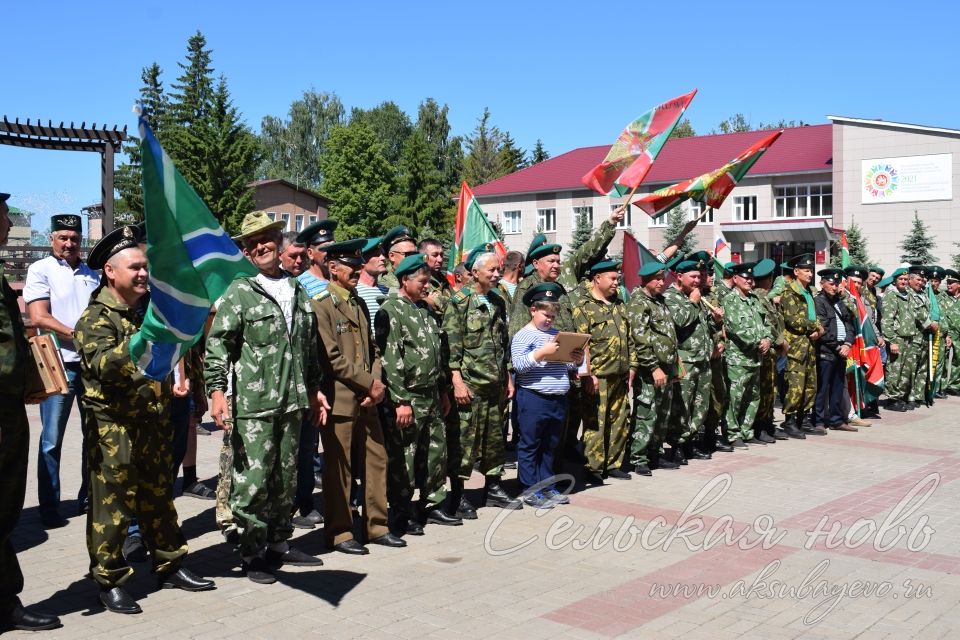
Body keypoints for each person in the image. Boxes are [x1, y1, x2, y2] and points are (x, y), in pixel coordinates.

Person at [75, 224, 215, 614]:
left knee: (159, 498)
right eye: (135, 267)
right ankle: (110, 579)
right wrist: (140, 342)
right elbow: (104, 364)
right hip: (113, 427)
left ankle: (170, 564)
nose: (142, 274)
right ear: (111, 272)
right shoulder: (96, 318)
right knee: (113, 507)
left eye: (145, 267)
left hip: (152, 419)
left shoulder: (147, 309)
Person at [205, 211, 328, 584]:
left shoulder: (297, 291)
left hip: (292, 405)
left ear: (278, 241)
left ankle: (278, 544)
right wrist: (216, 392)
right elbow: (218, 346)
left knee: (284, 480)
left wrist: (314, 388)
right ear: (245, 250)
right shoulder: (240, 292)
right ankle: (252, 552)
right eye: (251, 242)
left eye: (266, 238)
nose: (260, 246)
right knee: (253, 482)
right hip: (254, 407)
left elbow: (308, 348)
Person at [313, 238, 405, 554]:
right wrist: (370, 383)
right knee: (339, 468)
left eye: (357, 265)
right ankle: (340, 532)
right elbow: (332, 358)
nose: (355, 270)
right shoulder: (322, 304)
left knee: (377, 460)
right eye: (350, 266)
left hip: (368, 396)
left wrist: (375, 383)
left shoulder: (359, 302)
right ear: (333, 267)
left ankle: (376, 527)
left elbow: (374, 349)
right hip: (340, 397)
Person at [0, 192, 62, 631]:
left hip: (8, 406)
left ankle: (4, 601)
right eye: (3, 213)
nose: (8, 220)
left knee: (4, 509)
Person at [22, 214, 100, 527]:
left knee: (93, 437)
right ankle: (49, 507)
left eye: (74, 238)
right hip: (58, 365)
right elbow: (39, 316)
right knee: (52, 440)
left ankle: (87, 499)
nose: (69, 244)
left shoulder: (92, 271)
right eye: (63, 238)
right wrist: (80, 335)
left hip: (92, 366)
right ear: (52, 238)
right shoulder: (40, 269)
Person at [375, 254, 461, 534]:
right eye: (422, 282)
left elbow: (436, 355)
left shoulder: (425, 310)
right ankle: (401, 512)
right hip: (408, 397)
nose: (427, 287)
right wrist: (400, 400)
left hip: (432, 396)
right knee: (405, 458)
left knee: (435, 453)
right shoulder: (391, 309)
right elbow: (391, 359)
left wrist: (444, 392)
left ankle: (433, 504)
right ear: (405, 280)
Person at [442, 247, 521, 515]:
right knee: (465, 441)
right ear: (475, 273)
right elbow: (452, 345)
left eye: (499, 270)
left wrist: (508, 375)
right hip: (471, 385)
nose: (498, 274)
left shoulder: (498, 300)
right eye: (492, 270)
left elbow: (503, 342)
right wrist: (456, 380)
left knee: (494, 440)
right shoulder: (459, 302)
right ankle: (459, 494)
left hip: (495, 384)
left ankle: (493, 487)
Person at [511, 282, 584, 507]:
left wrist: (576, 361)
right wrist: (541, 352)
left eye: (553, 315)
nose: (550, 320)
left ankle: (547, 486)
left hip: (558, 397)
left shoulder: (556, 335)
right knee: (530, 444)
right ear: (533, 310)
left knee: (551, 445)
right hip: (534, 397)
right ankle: (530, 489)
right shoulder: (524, 335)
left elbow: (566, 366)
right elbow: (518, 365)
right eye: (546, 314)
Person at [571, 260, 634, 479]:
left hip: (620, 373)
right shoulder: (584, 307)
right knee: (596, 421)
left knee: (619, 420)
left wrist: (632, 366)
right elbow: (581, 344)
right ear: (597, 279)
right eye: (613, 278)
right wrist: (588, 375)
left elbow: (629, 337)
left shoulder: (619, 304)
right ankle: (594, 466)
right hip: (598, 375)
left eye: (618, 279)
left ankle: (613, 463)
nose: (617, 282)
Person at [626, 261, 681, 472]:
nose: (661, 282)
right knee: (646, 413)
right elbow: (640, 339)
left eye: (662, 278)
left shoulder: (659, 301)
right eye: (656, 279)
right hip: (650, 370)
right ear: (645, 280)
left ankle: (655, 453)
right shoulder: (639, 303)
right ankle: (638, 458)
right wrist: (653, 366)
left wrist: (673, 365)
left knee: (662, 413)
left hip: (666, 367)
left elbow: (668, 335)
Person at [664, 257, 718, 460]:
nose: (697, 280)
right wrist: (692, 303)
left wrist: (715, 321)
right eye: (693, 276)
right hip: (685, 360)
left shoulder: (697, 296)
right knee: (682, 405)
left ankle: (691, 441)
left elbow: (702, 326)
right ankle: (677, 444)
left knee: (700, 404)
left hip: (702, 359)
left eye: (699, 276)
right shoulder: (671, 297)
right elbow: (679, 322)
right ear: (679, 276)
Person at [722, 262, 773, 447]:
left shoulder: (754, 299)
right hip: (739, 358)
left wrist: (767, 339)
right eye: (746, 278)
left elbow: (767, 323)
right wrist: (758, 342)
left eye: (751, 278)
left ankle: (746, 431)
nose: (750, 281)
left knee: (752, 397)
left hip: (755, 358)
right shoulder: (730, 300)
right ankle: (732, 434)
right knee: (735, 397)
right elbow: (735, 327)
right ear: (735, 279)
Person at [780, 254, 825, 436]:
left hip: (810, 345)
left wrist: (820, 329)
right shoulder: (789, 293)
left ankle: (803, 419)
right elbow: (793, 320)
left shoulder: (810, 292)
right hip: (796, 346)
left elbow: (815, 316)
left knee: (810, 385)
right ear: (796, 272)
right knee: (795, 385)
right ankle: (790, 421)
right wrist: (816, 326)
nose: (810, 273)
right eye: (806, 270)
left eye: (811, 270)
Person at [753, 259, 792, 440]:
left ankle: (768, 424)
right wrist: (781, 341)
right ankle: (760, 426)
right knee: (765, 389)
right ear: (769, 279)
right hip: (766, 351)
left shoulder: (765, 297)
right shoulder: (761, 298)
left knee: (771, 389)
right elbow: (768, 324)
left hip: (772, 352)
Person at [814, 269, 856, 431]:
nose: (834, 287)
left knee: (838, 387)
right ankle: (818, 421)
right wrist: (838, 347)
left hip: (842, 350)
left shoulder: (840, 301)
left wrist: (847, 344)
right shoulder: (819, 302)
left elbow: (849, 325)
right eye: (831, 284)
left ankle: (836, 420)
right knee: (822, 388)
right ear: (822, 284)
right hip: (827, 350)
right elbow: (823, 328)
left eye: (836, 284)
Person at [882, 267, 917, 411]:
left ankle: (900, 396)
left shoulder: (908, 295)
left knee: (905, 370)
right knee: (894, 369)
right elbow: (887, 320)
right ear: (895, 281)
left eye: (905, 279)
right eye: (900, 279)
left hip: (908, 338)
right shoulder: (891, 295)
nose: (903, 282)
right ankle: (892, 399)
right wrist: (892, 341)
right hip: (897, 338)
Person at [296, 219, 337, 298]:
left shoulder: (340, 277)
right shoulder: (301, 284)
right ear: (310, 253)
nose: (330, 252)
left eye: (333, 246)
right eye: (324, 249)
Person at [419, 238, 452, 323]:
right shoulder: (419, 280)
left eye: (441, 255)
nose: (440, 259)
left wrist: (435, 301)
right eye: (435, 255)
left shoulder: (443, 280)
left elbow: (455, 305)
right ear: (424, 257)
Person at [378, 225, 418, 291]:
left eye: (414, 254)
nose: (412, 258)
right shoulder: (385, 282)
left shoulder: (419, 274)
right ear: (392, 256)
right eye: (407, 254)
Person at [942, 269, 960, 396]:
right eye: (948, 282)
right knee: (942, 360)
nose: (949, 285)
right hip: (947, 334)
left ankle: (954, 385)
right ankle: (940, 386)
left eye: (952, 282)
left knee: (958, 360)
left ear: (959, 284)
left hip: (959, 334)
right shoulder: (942, 297)